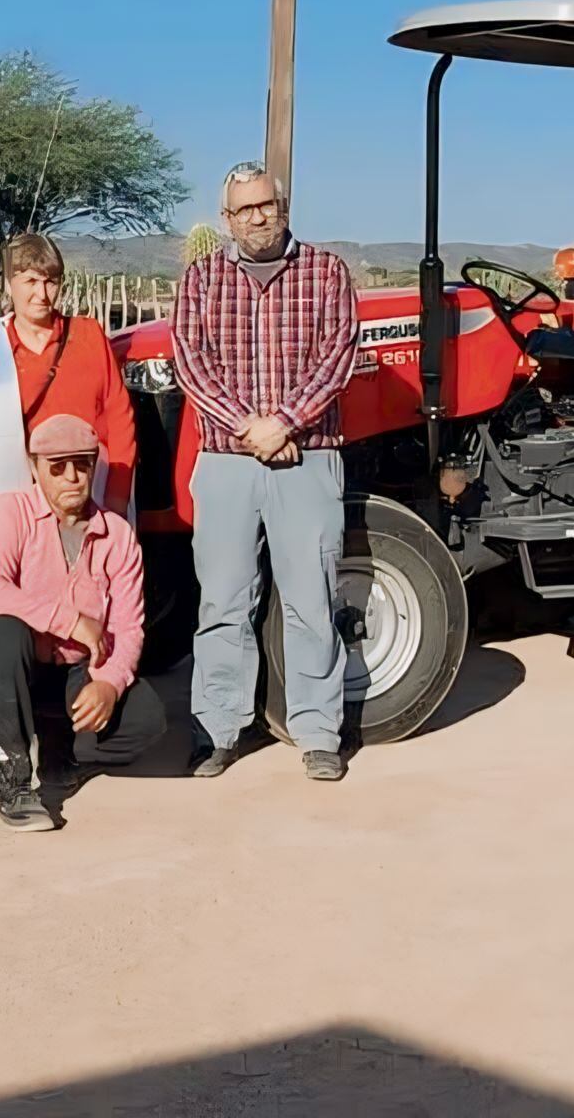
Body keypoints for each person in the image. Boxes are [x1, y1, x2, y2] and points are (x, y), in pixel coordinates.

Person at [171, 161, 360, 782]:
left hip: (307, 455)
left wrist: (284, 421)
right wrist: (251, 428)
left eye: (266, 204)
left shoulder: (327, 273)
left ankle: (317, 732)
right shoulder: (201, 278)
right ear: (227, 218)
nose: (257, 216)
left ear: (284, 205)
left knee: (312, 598)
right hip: (227, 459)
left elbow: (337, 359)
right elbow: (190, 363)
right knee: (223, 600)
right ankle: (220, 728)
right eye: (244, 208)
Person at [0, 414, 164, 832]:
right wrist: (70, 620)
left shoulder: (116, 535)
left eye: (82, 464)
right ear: (34, 468)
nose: (72, 477)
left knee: (146, 717)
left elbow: (129, 625)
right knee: (7, 628)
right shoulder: (9, 511)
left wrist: (109, 683)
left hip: (67, 668)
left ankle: (55, 745)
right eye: (57, 466)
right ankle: (9, 777)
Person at [0, 233, 137, 517]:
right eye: (31, 282)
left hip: (94, 484)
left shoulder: (87, 335)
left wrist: (116, 497)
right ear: (8, 285)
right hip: (29, 498)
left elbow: (120, 416)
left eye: (51, 281)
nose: (42, 294)